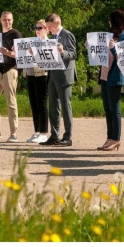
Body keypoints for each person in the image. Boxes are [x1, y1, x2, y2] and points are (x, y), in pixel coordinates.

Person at [84, 9, 124, 151]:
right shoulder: (111, 35)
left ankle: (116, 138)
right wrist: (91, 47)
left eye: (110, 19)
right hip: (105, 75)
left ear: (116, 20)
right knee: (107, 108)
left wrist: (113, 49)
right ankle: (109, 137)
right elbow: (100, 52)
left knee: (115, 107)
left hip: (115, 75)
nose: (109, 22)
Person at [39, 13, 77, 147]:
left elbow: (73, 54)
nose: (49, 30)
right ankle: (54, 135)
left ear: (57, 22)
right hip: (52, 75)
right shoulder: (53, 37)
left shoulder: (67, 35)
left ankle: (67, 137)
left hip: (64, 75)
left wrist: (62, 52)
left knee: (66, 106)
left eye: (50, 27)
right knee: (53, 107)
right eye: (47, 27)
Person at [0, 11, 22, 142]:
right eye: (5, 20)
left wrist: (9, 53)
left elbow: (21, 54)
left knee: (11, 102)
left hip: (10, 69)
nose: (7, 22)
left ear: (12, 20)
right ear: (0, 20)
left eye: (9, 20)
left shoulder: (16, 34)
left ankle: (13, 133)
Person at [25, 19, 49, 143]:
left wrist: (34, 53)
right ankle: (37, 131)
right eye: (36, 28)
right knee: (34, 105)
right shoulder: (31, 42)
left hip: (42, 74)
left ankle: (44, 132)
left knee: (42, 104)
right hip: (30, 73)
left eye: (40, 28)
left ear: (46, 29)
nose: (37, 30)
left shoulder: (49, 43)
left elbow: (47, 60)